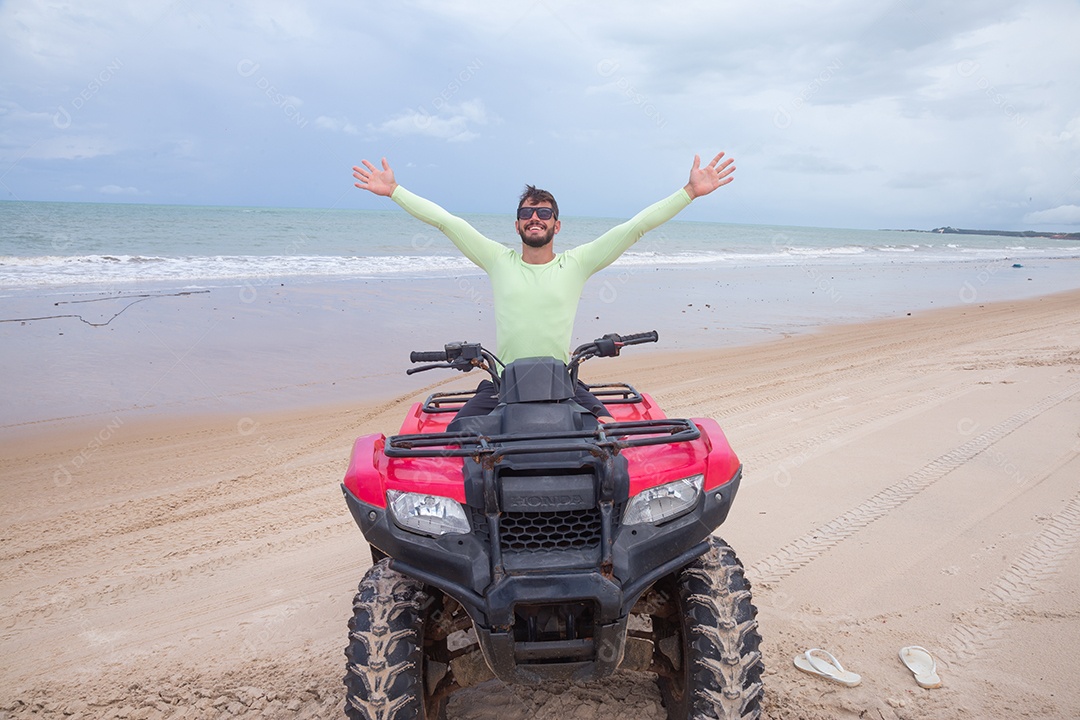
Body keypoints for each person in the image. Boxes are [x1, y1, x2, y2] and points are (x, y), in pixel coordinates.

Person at [352, 153, 735, 420]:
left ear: (557, 224)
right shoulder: (498, 260)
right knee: (458, 441)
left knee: (611, 438)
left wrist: (688, 192)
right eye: (526, 213)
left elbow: (634, 227)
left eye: (544, 212)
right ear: (517, 225)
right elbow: (448, 223)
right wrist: (396, 192)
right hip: (503, 385)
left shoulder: (576, 264)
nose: (535, 218)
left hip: (563, 384)